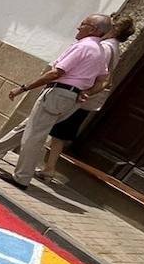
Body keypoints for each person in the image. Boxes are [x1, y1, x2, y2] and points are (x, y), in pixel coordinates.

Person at [0, 14, 112, 190]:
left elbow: (56, 73)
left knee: (33, 137)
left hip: (58, 94)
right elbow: (104, 80)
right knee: (27, 127)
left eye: (83, 24)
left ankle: (22, 178)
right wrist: (87, 91)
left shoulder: (83, 47)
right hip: (71, 100)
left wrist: (23, 88)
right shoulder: (100, 51)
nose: (78, 27)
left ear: (92, 29)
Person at [40, 15, 134, 181]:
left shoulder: (104, 47)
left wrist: (83, 91)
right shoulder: (115, 47)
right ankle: (48, 167)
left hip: (80, 95)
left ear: (114, 29)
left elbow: (95, 74)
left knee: (57, 131)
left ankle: (49, 168)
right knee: (58, 132)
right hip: (86, 98)